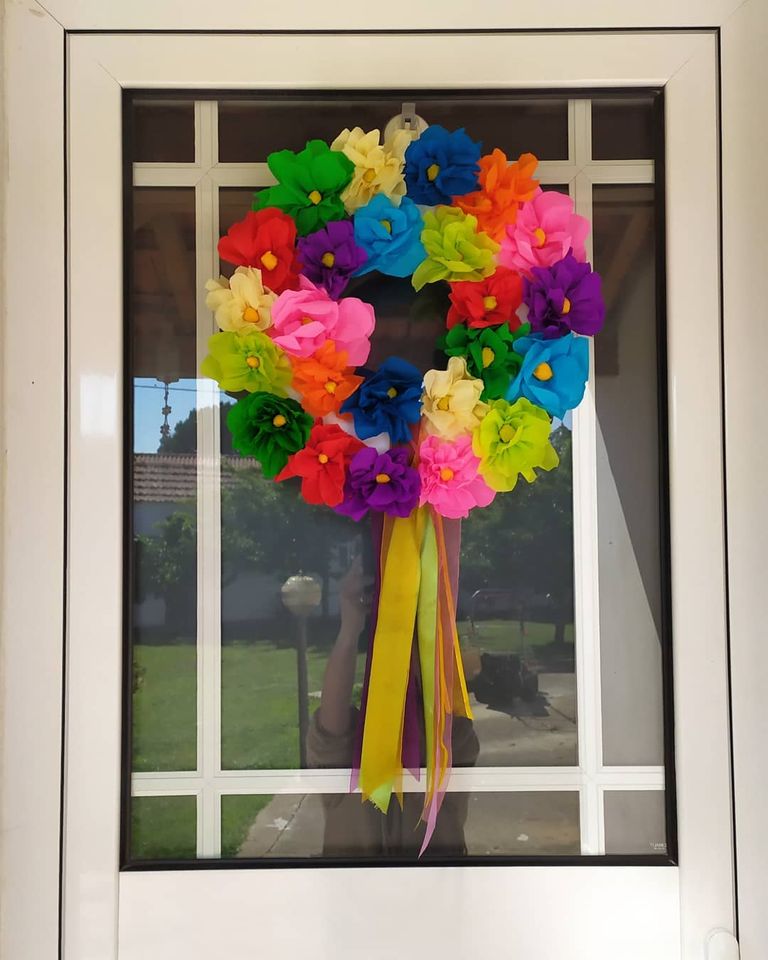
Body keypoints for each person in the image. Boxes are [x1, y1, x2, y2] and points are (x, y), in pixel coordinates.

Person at [306, 549, 479, 858]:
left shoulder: (446, 742)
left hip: (432, 884)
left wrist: (424, 613)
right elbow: (330, 726)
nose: (396, 671)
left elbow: (444, 688)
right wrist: (350, 628)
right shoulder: (353, 750)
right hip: (354, 885)